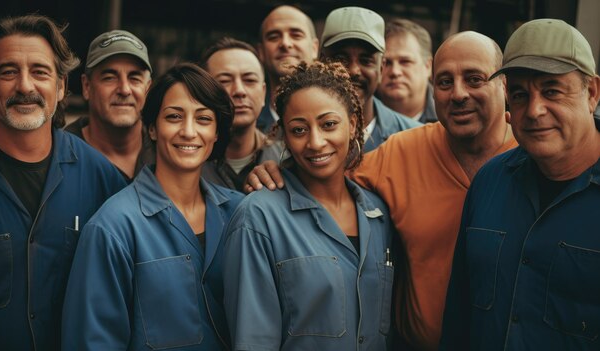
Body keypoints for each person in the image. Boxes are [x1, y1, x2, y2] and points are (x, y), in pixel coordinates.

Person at [244, 31, 517, 351]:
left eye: (474, 79)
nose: (458, 94)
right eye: (444, 82)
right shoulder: (402, 152)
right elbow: (324, 167)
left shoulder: (530, 158)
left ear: (504, 84)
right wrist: (279, 171)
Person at [440, 19, 600, 351]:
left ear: (592, 93)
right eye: (519, 94)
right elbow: (459, 315)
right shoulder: (489, 181)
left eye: (552, 90)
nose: (534, 110)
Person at [62, 63, 243, 350]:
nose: (188, 131)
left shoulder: (242, 213)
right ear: (152, 128)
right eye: (174, 117)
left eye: (204, 119)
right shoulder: (113, 227)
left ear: (217, 133)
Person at [0, 14, 126, 351]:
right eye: (8, 71)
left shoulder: (104, 179)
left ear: (61, 87)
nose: (25, 86)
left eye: (40, 72)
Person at [224, 61, 396, 350]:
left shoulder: (377, 214)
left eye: (329, 124)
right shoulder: (258, 218)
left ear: (353, 124)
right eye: (299, 129)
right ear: (285, 137)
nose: (316, 142)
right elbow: (253, 340)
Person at [320, 7, 422, 152]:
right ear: (321, 63)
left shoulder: (414, 138)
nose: (354, 70)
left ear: (381, 68)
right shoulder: (296, 132)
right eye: (341, 59)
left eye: (366, 60)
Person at [65, 30, 154, 181]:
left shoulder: (166, 151)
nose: (124, 90)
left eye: (134, 78)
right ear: (86, 86)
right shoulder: (60, 156)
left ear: (147, 89)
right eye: (109, 78)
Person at [201, 37, 269, 191]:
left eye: (249, 80)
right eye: (224, 81)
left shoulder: (286, 159)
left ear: (263, 92)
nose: (239, 91)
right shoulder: (188, 162)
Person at [256, 5, 319, 133]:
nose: (285, 43)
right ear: (261, 51)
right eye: (273, 37)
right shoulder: (248, 124)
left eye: (296, 35)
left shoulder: (339, 115)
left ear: (314, 48)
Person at [376, 18, 437, 123]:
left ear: (428, 66)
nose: (395, 72)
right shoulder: (359, 115)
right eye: (387, 63)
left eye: (405, 62)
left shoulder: (447, 118)